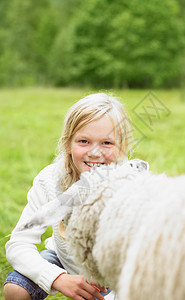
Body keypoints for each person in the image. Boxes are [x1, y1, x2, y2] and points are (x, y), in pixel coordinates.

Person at [4, 93, 132, 300]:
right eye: (84, 141)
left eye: (107, 143)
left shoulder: (133, 183)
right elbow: (19, 243)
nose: (95, 152)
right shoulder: (50, 179)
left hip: (116, 271)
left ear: (122, 147)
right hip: (64, 259)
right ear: (67, 144)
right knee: (15, 289)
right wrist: (57, 278)